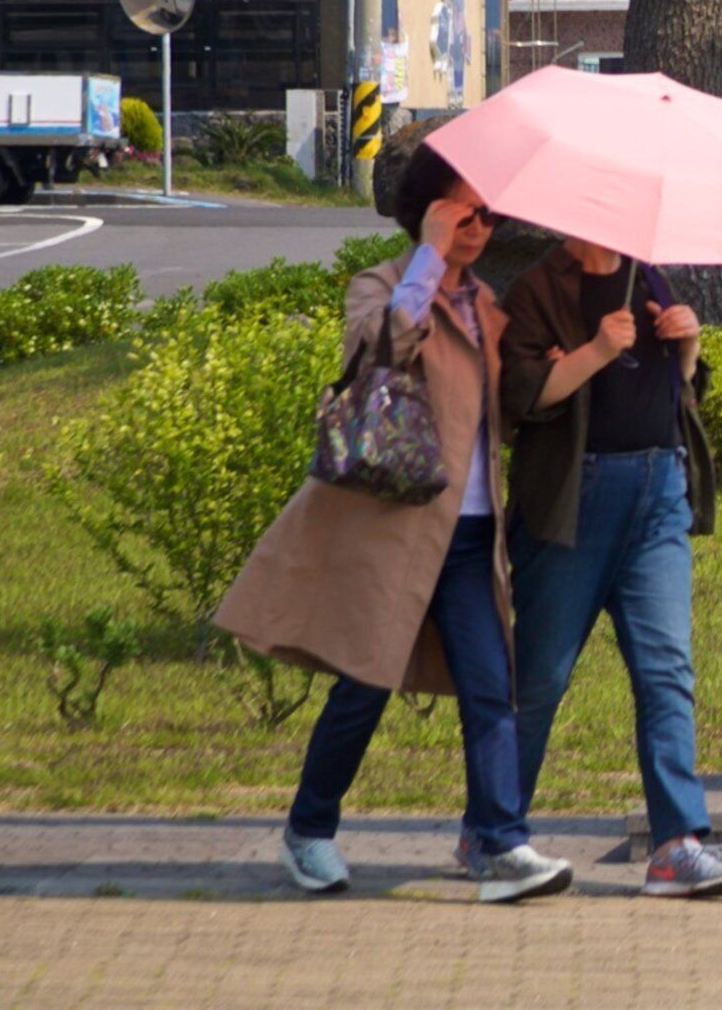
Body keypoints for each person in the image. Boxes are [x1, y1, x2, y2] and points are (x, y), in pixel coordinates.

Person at [217, 145, 573, 903]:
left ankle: (501, 846)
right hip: (395, 532)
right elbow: (383, 348)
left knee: (490, 690)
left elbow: (516, 406)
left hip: (472, 536)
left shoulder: (486, 307)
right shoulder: (381, 286)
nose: (481, 227)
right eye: (465, 213)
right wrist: (429, 258)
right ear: (429, 211)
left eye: (489, 215)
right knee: (362, 687)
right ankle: (308, 832)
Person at [497, 232, 722, 898]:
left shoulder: (651, 278)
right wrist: (596, 351)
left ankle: (677, 843)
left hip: (658, 493)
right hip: (572, 501)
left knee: (666, 668)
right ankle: (495, 831)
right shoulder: (537, 289)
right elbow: (520, 396)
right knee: (541, 678)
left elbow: (678, 392)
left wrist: (687, 351)